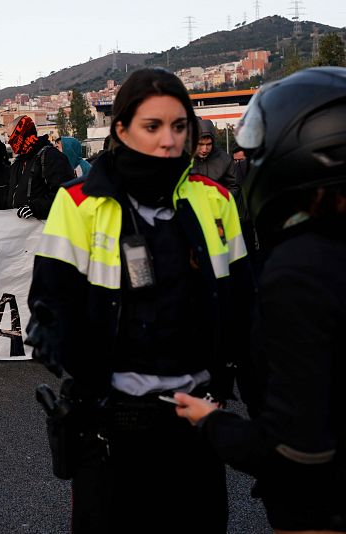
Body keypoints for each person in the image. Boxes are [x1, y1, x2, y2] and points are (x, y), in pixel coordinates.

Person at [25, 67, 252, 533]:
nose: (169, 140)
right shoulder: (79, 202)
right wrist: (82, 373)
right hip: (112, 428)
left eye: (179, 126)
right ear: (122, 129)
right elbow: (48, 307)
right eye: (153, 126)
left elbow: (244, 308)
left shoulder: (216, 200)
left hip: (197, 421)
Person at [175, 67, 346, 534]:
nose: (245, 156)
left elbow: (299, 452)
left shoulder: (301, 270)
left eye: (255, 147)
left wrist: (212, 423)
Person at [7, 115, 74, 219]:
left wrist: (35, 208)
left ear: (21, 134)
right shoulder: (19, 162)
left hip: (45, 229)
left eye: (10, 137)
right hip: (21, 230)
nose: (9, 141)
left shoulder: (51, 156)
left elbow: (65, 193)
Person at [192, 119, 238, 193]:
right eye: (200, 144)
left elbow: (233, 186)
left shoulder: (225, 160)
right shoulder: (183, 158)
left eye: (208, 144)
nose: (204, 149)